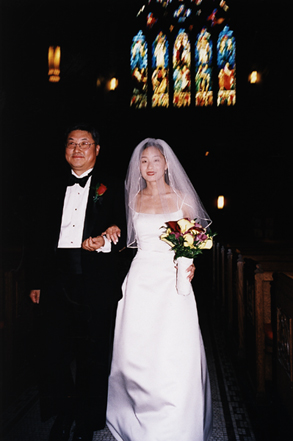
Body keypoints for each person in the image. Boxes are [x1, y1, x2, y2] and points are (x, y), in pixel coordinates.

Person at [106, 138, 213, 441]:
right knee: (135, 352)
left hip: (172, 281)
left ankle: (177, 422)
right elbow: (119, 232)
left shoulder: (182, 199)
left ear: (167, 164)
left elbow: (195, 237)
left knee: (173, 352)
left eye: (155, 160)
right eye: (143, 161)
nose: (149, 167)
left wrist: (189, 262)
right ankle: (131, 415)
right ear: (137, 167)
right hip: (140, 279)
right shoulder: (132, 199)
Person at [28, 123, 126, 441]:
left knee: (93, 355)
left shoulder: (113, 185)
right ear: (65, 150)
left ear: (97, 149)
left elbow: (125, 230)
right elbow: (39, 237)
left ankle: (87, 420)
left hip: (95, 281)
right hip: (56, 280)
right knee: (52, 353)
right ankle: (64, 410)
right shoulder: (50, 186)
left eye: (85, 143)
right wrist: (36, 282)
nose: (77, 149)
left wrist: (107, 238)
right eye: (71, 143)